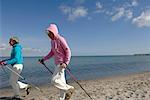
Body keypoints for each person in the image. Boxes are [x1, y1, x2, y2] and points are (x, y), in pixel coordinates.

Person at [39, 23, 74, 100]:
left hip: (61, 64)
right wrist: (43, 59)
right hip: (57, 64)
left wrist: (66, 62)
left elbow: (68, 51)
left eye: (50, 33)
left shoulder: (61, 39)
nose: (48, 35)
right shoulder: (52, 41)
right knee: (62, 83)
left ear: (54, 32)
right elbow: (52, 53)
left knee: (54, 80)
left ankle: (69, 89)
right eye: (48, 33)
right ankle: (62, 98)